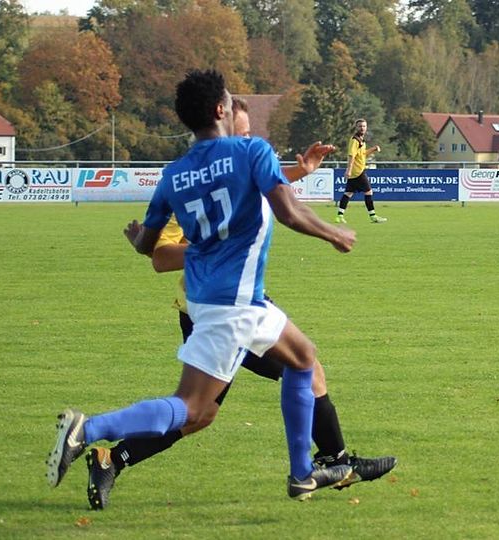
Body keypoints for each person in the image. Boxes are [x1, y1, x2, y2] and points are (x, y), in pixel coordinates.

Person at [47, 69, 358, 504]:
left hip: (225, 300)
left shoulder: (174, 175)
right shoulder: (251, 150)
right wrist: (334, 233)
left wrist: (136, 238)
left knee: (304, 358)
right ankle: (89, 429)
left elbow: (148, 247)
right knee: (193, 409)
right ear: (220, 109)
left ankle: (302, 474)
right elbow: (288, 212)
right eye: (229, 102)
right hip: (233, 307)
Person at [335, 118, 386, 223]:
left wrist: (373, 149)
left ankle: (339, 216)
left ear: (366, 128)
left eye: (364, 126)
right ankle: (373, 216)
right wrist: (348, 170)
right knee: (368, 192)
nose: (362, 128)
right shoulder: (355, 140)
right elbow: (351, 155)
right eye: (360, 126)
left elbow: (362, 154)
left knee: (348, 193)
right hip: (358, 172)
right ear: (356, 127)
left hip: (355, 172)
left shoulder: (361, 140)